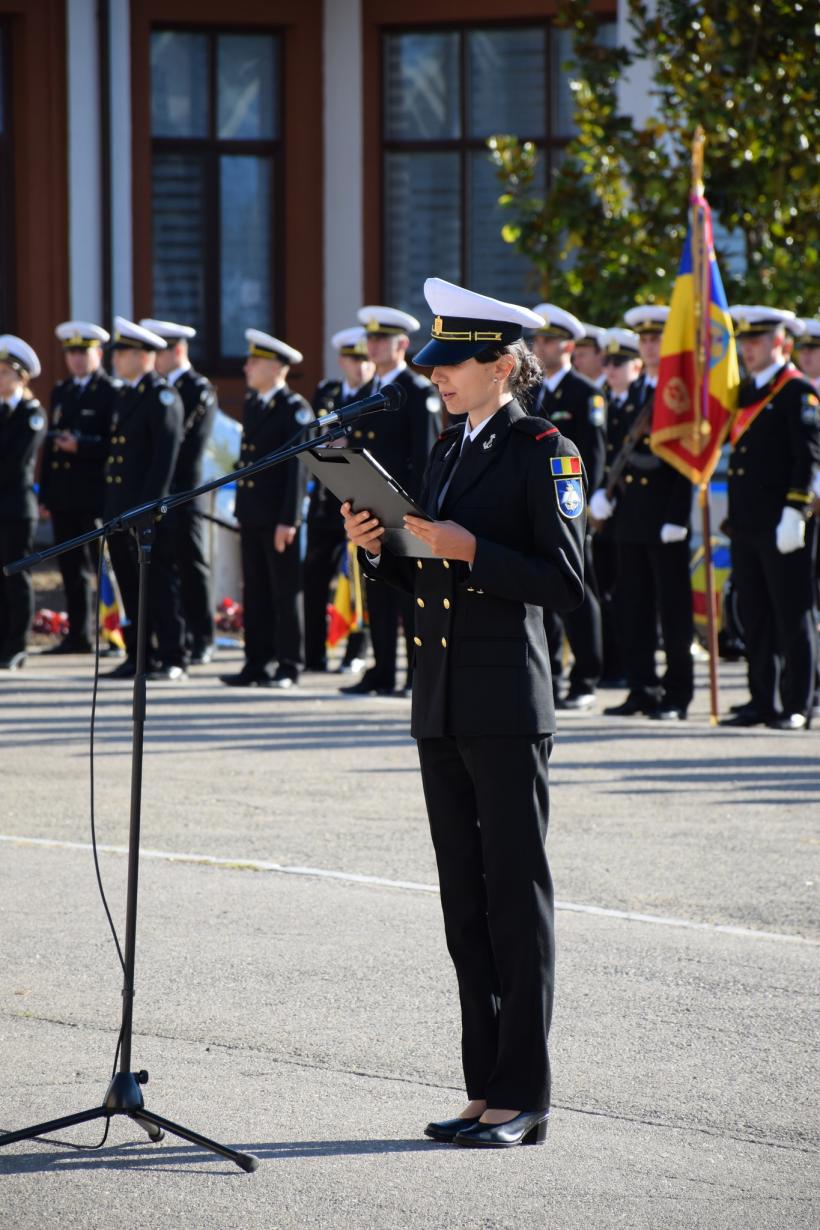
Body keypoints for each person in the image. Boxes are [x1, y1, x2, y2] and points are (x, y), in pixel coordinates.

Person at [342, 278, 585, 1149]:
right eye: (436, 363)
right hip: (441, 702)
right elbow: (430, 579)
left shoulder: (544, 450)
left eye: (454, 364)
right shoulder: (446, 449)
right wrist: (382, 553)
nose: (438, 377)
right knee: (464, 905)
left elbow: (564, 585)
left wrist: (473, 547)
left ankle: (527, 1097)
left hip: (506, 706)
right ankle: (484, 1087)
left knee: (515, 903)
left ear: (500, 364)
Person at [719, 307, 820, 730]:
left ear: (783, 344)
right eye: (744, 341)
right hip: (747, 523)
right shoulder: (743, 393)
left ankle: (799, 702)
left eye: (757, 340)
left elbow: (809, 457)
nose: (748, 348)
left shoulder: (798, 393)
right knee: (755, 614)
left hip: (783, 522)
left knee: (792, 613)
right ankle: (763, 699)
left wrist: (796, 510)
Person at [593, 310, 695, 721]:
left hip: (665, 519)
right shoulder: (633, 395)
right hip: (629, 518)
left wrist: (679, 515)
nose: (650, 346)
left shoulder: (678, 392)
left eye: (656, 339)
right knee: (632, 606)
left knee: (672, 612)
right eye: (645, 340)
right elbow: (617, 455)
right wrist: (604, 492)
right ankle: (642, 688)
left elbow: (689, 459)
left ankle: (677, 694)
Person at [339, 305, 440, 696]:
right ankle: (381, 670)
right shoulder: (366, 395)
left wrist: (415, 510)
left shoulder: (416, 392)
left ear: (402, 345)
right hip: (370, 508)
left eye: (382, 339)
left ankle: (418, 675)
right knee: (376, 591)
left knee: (411, 595)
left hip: (405, 508)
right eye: (371, 339)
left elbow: (426, 456)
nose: (374, 346)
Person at [220, 330, 315, 689]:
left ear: (276, 367)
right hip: (253, 515)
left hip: (278, 518)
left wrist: (288, 520)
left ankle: (289, 664)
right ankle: (256, 662)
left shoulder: (294, 409)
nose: (246, 367)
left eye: (254, 361)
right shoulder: (255, 403)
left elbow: (297, 469)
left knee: (285, 592)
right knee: (255, 590)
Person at [530, 303, 606, 708]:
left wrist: (583, 506)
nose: (541, 347)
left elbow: (591, 457)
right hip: (535, 508)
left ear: (569, 346)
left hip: (569, 507)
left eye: (549, 340)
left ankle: (586, 679)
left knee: (579, 595)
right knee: (543, 595)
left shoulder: (586, 393)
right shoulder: (530, 392)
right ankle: (552, 678)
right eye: (538, 339)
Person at [102, 317, 185, 681]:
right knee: (130, 584)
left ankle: (172, 654)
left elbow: (163, 458)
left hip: (149, 511)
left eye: (123, 352)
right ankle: (139, 654)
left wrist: (150, 507)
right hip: (122, 509)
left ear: (143, 356)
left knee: (160, 584)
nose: (116, 359)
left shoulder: (161, 396)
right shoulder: (126, 394)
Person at [140, 318, 217, 666]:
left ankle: (203, 636)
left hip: (185, 490)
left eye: (161, 350)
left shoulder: (197, 387)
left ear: (178, 350)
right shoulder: (157, 388)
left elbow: (189, 444)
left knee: (191, 564)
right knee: (164, 567)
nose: (155, 357)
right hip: (160, 492)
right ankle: (177, 634)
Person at [39, 321, 119, 654]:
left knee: (100, 569)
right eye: (71, 353)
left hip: (94, 496)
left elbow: (116, 445)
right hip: (64, 496)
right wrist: (45, 494)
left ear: (98, 353)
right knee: (70, 569)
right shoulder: (63, 391)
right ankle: (78, 635)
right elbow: (50, 445)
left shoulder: (110, 392)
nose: (76, 360)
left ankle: (114, 634)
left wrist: (81, 446)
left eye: (83, 353)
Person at [303, 326, 374, 673]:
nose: (360, 366)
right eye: (353, 358)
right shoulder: (328, 392)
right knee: (314, 577)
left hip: (360, 503)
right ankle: (314, 653)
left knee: (357, 581)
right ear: (341, 360)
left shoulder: (376, 396)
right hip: (325, 503)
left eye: (365, 358)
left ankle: (356, 650)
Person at [592, 329, 643, 687]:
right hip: (604, 514)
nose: (611, 369)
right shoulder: (605, 400)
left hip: (635, 514)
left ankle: (628, 668)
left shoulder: (644, 403)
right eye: (607, 362)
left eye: (619, 363)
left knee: (632, 596)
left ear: (636, 366)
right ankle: (615, 667)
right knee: (607, 591)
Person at [0, 335, 47, 670]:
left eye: (3, 372)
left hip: (17, 509)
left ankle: (18, 644)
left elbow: (14, 461)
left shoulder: (32, 414)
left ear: (20, 376)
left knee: (17, 577)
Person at [571, 323, 608, 391]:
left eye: (581, 355)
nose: (576, 362)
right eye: (574, 357)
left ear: (601, 354)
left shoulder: (615, 387)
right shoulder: (576, 389)